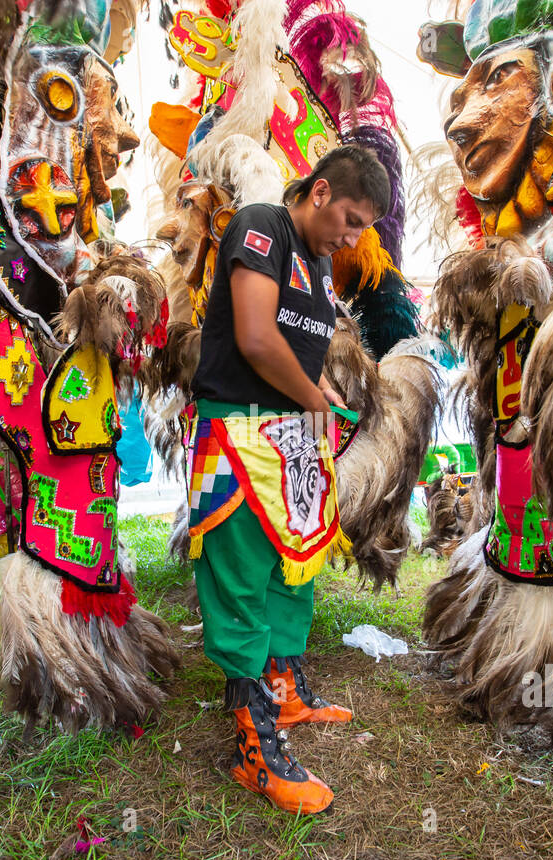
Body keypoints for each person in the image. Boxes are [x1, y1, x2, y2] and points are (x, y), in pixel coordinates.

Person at [186, 145, 390, 813]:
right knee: (242, 578)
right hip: (238, 431)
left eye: (365, 229)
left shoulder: (320, 264)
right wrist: (311, 399)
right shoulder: (261, 225)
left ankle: (285, 692)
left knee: (293, 569)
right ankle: (253, 745)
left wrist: (321, 389)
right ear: (321, 191)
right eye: (352, 220)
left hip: (292, 437)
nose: (353, 239)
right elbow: (255, 337)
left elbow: (302, 346)